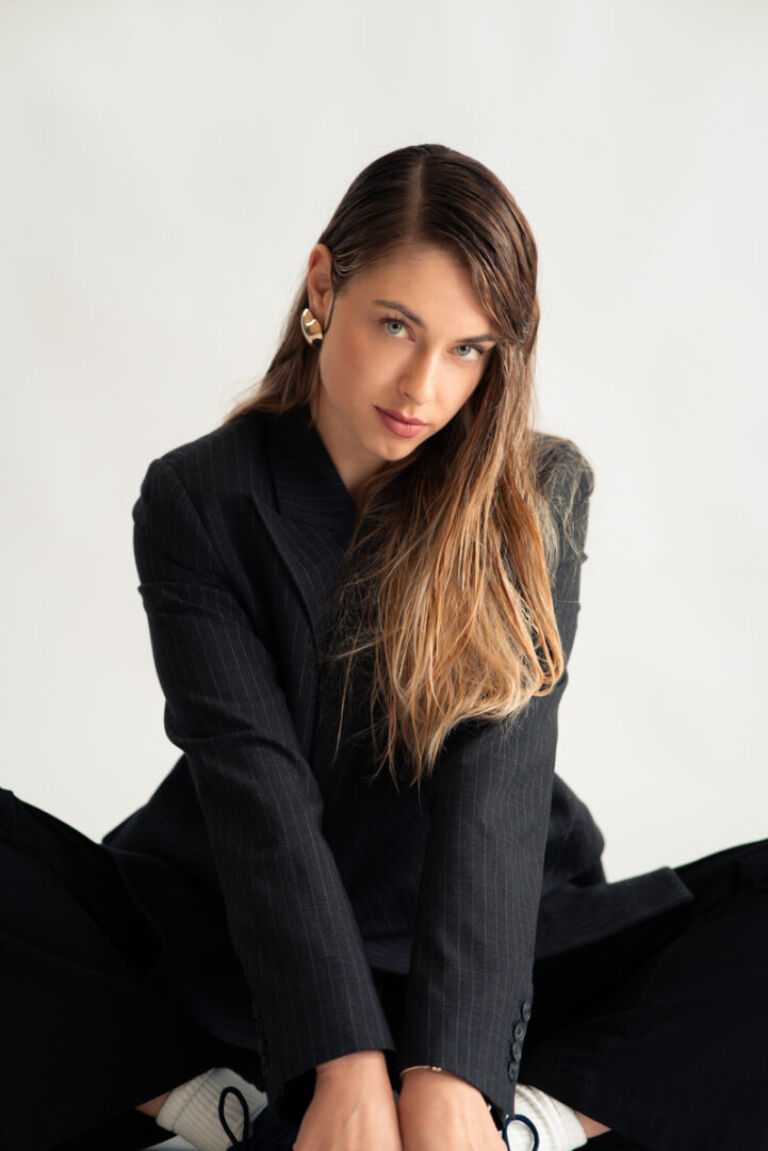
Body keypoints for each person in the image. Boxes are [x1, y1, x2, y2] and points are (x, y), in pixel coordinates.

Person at [2, 143, 766, 1151]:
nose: (424, 386)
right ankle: (212, 1099)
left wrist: (454, 1072)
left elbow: (495, 799)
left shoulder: (535, 494)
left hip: (494, 942)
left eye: (468, 349)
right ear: (324, 286)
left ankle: (531, 1121)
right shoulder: (200, 497)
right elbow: (259, 793)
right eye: (397, 325)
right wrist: (343, 1058)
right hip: (242, 935)